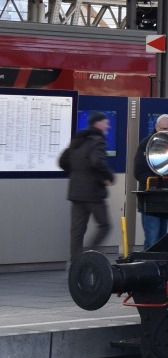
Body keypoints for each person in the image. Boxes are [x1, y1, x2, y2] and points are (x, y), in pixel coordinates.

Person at [61, 111, 115, 262]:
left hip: (76, 192)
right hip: (93, 192)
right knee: (105, 225)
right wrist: (109, 176)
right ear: (97, 124)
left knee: (77, 230)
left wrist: (76, 172)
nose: (108, 126)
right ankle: (89, 255)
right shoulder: (97, 141)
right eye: (105, 122)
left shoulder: (78, 140)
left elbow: (63, 161)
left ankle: (76, 262)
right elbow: (97, 161)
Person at [133, 114, 168, 247]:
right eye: (164, 128)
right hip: (151, 197)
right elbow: (139, 172)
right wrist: (158, 182)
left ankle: (159, 264)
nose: (167, 132)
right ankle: (148, 265)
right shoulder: (146, 144)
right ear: (156, 127)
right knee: (153, 237)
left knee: (162, 237)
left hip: (166, 198)